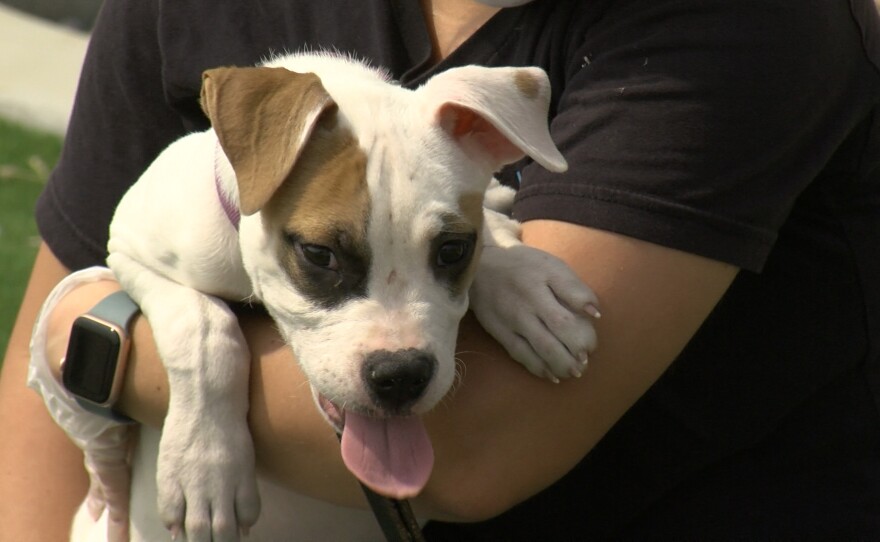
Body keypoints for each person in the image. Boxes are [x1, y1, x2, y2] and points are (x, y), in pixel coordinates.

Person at [2, 0, 879, 539]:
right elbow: (32, 406)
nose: (400, 341)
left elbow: (468, 453)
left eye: (451, 254)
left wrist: (101, 343)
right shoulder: (215, 72)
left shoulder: (746, 26)